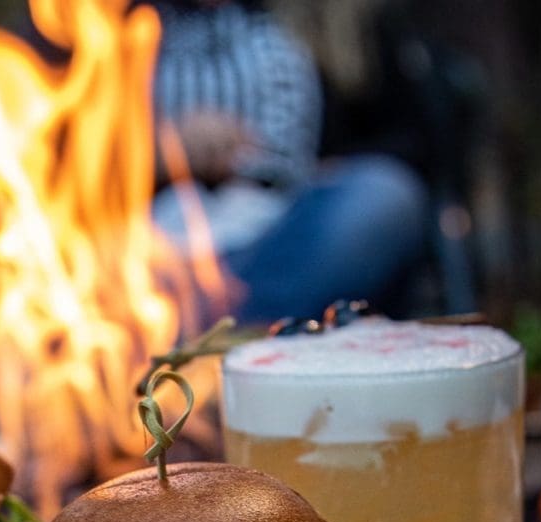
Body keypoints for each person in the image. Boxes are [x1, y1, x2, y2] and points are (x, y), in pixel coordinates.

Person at [143, 0, 431, 326]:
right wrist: (158, 150)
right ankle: (225, 336)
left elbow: (413, 134)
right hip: (142, 253)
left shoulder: (323, 13)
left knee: (382, 197)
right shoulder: (102, 19)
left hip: (281, 240)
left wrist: (333, 170)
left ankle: (211, 332)